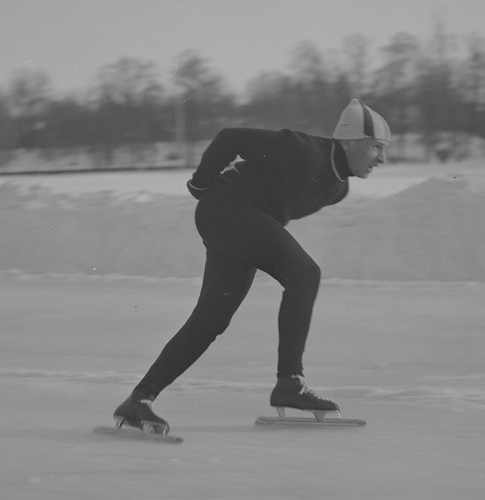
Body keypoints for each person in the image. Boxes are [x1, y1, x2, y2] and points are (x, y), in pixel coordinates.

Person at [113, 99, 391, 434]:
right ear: (349, 141)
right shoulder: (306, 152)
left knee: (210, 321)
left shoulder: (338, 188)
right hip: (228, 209)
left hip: (240, 221)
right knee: (305, 273)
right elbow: (230, 138)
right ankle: (290, 382)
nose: (382, 158)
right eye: (376, 147)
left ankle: (139, 400)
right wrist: (200, 184)